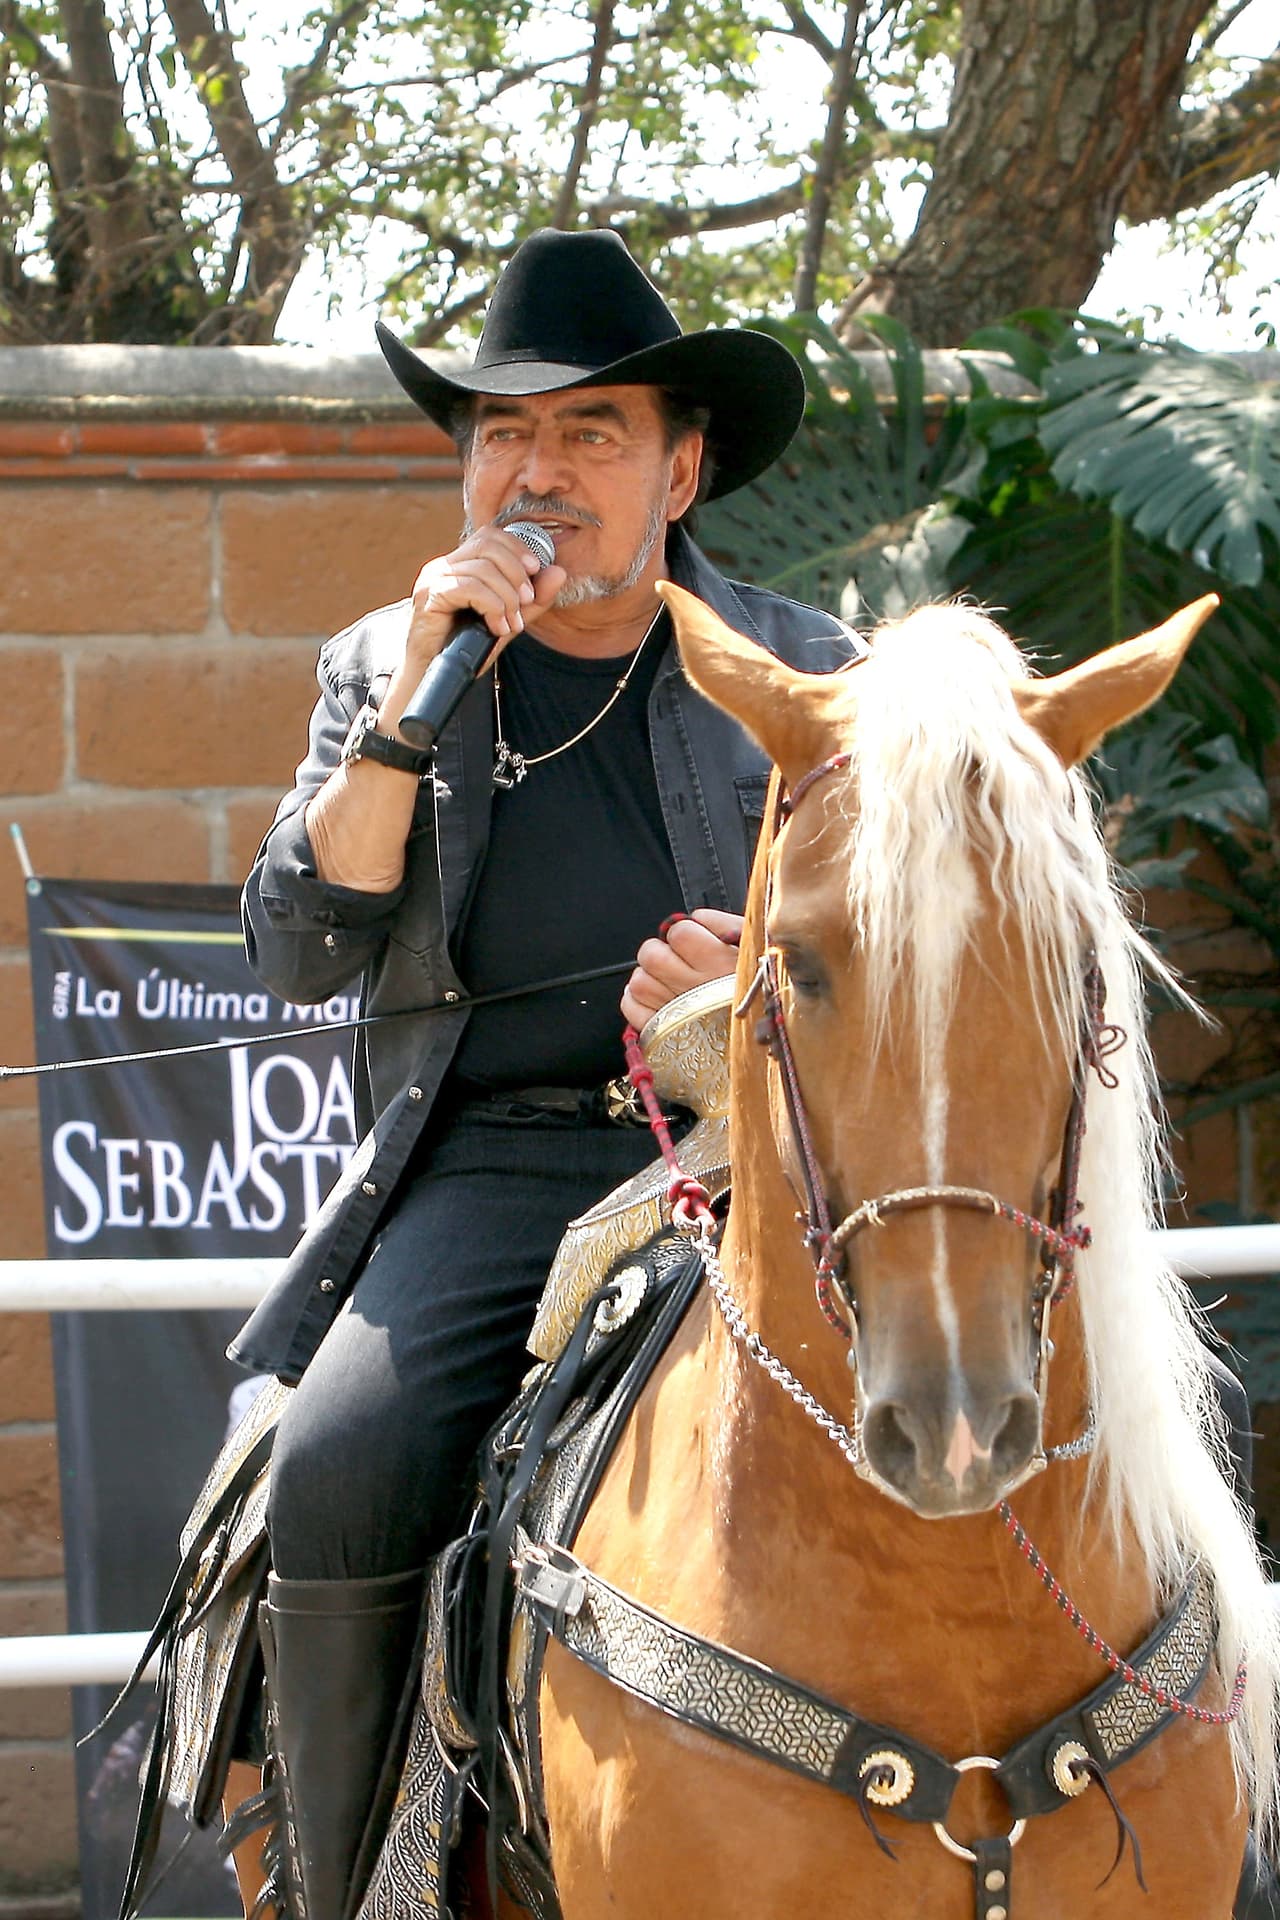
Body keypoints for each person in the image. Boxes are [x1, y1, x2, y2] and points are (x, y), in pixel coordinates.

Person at [231, 228, 853, 1920]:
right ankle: (351, 1883)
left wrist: (753, 989)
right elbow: (297, 950)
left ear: (682, 467)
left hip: (754, 1167)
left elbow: (906, 960)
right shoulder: (386, 663)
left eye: (593, 433)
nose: (541, 470)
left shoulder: (812, 681)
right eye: (507, 432)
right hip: (493, 1172)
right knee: (340, 1457)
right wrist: (409, 719)